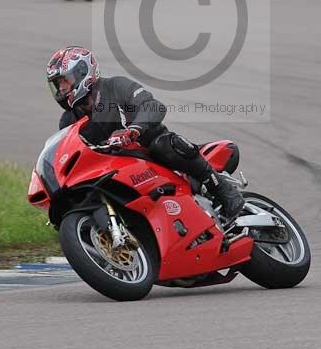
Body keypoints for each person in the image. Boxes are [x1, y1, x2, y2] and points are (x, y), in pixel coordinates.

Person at [46, 46, 245, 220]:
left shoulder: (115, 87)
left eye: (64, 80)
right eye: (57, 84)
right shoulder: (68, 120)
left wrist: (133, 130)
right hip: (116, 169)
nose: (61, 89)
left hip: (152, 154)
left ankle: (221, 189)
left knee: (163, 144)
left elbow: (153, 106)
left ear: (82, 72)